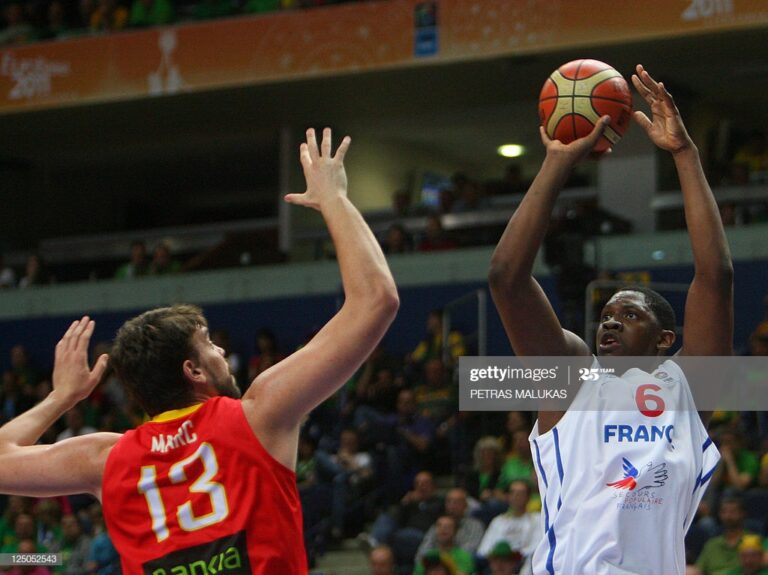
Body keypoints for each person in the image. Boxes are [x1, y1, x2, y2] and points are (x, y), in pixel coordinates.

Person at [0, 128, 399, 574]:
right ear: (192, 370)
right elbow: (375, 300)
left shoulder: (105, 459)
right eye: (209, 342)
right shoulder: (259, 414)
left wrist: (61, 398)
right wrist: (334, 201)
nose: (222, 350)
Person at [488, 65, 733, 574]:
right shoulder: (573, 377)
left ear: (666, 338)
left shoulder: (687, 390)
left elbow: (715, 277)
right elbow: (507, 279)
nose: (611, 323)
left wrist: (684, 154)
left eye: (630, 314)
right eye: (606, 315)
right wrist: (556, 164)